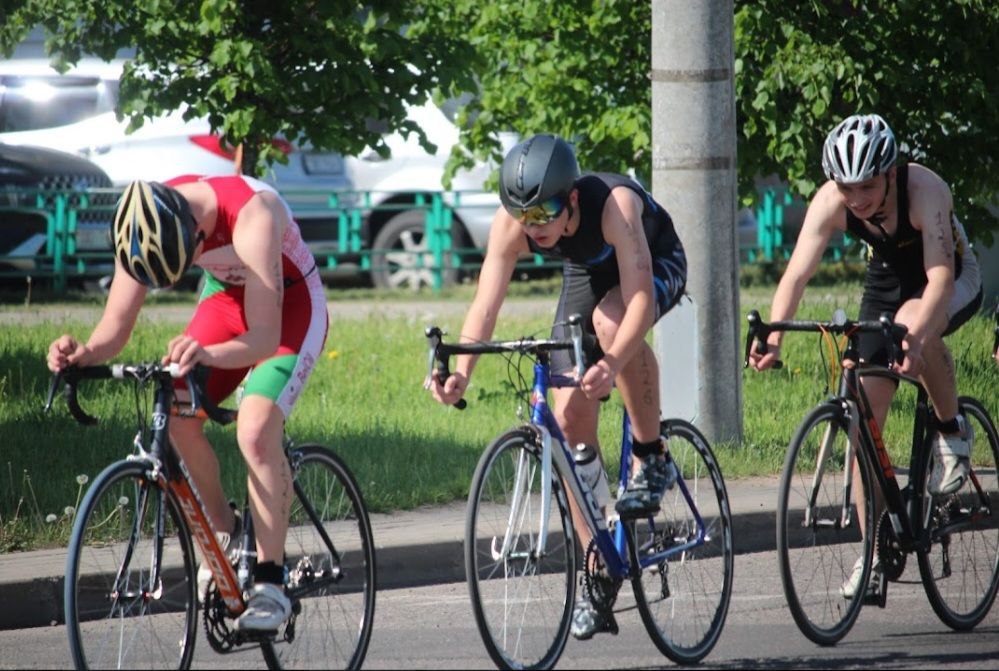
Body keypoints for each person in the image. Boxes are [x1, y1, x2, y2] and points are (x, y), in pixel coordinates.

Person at [426, 134, 687, 639]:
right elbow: (485, 303)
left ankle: (653, 455)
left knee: (612, 324)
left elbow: (637, 301)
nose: (535, 225)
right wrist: (462, 372)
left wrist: (611, 362)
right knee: (566, 421)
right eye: (524, 215)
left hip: (653, 263)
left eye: (545, 210)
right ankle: (600, 567)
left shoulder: (614, 206)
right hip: (587, 271)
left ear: (570, 199)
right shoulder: (519, 223)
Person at [46, 176, 328, 631]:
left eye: (188, 261)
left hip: (288, 310)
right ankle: (228, 533)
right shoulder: (143, 223)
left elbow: (263, 337)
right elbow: (114, 329)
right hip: (225, 301)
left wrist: (207, 355)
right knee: (176, 410)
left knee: (255, 429)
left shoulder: (251, 213)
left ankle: (271, 581)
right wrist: (82, 354)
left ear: (196, 232)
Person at [749, 113, 983, 598]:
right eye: (847, 187)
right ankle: (874, 552)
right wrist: (774, 336)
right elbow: (796, 275)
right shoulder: (832, 200)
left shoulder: (925, 191)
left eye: (869, 187)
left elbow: (939, 279)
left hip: (950, 276)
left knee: (918, 319)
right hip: (887, 279)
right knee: (861, 420)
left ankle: (951, 429)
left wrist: (916, 339)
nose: (857, 199)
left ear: (892, 173)